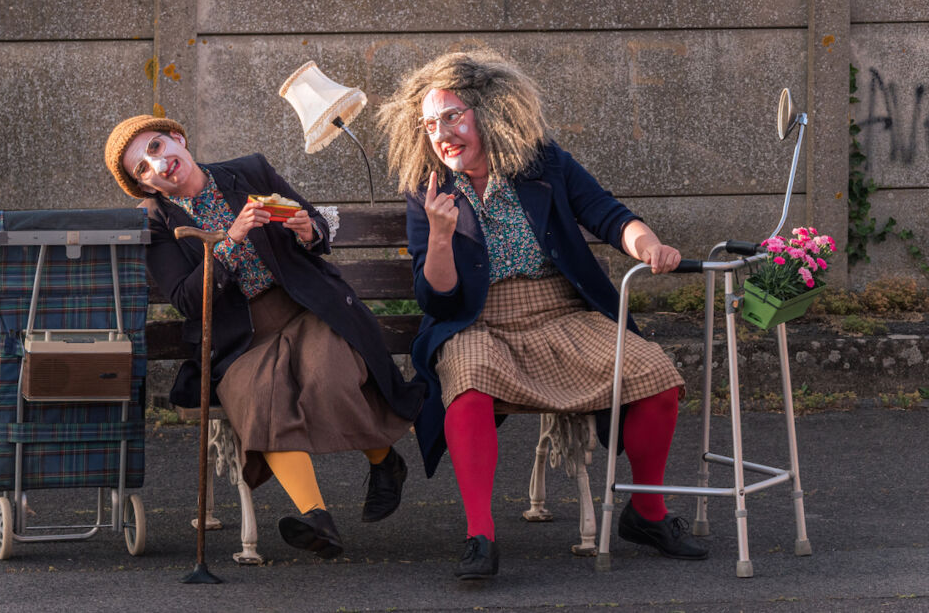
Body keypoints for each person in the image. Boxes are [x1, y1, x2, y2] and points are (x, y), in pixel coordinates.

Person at [377, 50, 707, 580]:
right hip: (474, 320)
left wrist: (648, 245)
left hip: (559, 310)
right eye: (429, 123)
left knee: (656, 377)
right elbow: (436, 300)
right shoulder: (428, 189)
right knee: (468, 382)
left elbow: (609, 215)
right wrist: (439, 236)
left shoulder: (542, 162)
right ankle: (479, 536)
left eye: (452, 116)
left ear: (490, 111)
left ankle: (647, 512)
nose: (441, 133)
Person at [104, 115, 424, 559]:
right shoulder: (157, 222)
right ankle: (318, 519)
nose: (157, 164)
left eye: (156, 147)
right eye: (143, 168)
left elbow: (315, 223)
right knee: (259, 396)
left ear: (178, 138)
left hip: (303, 308)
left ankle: (385, 462)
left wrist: (308, 229)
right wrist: (231, 240)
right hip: (239, 335)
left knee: (328, 375)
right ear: (147, 187)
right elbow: (185, 299)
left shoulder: (249, 171)